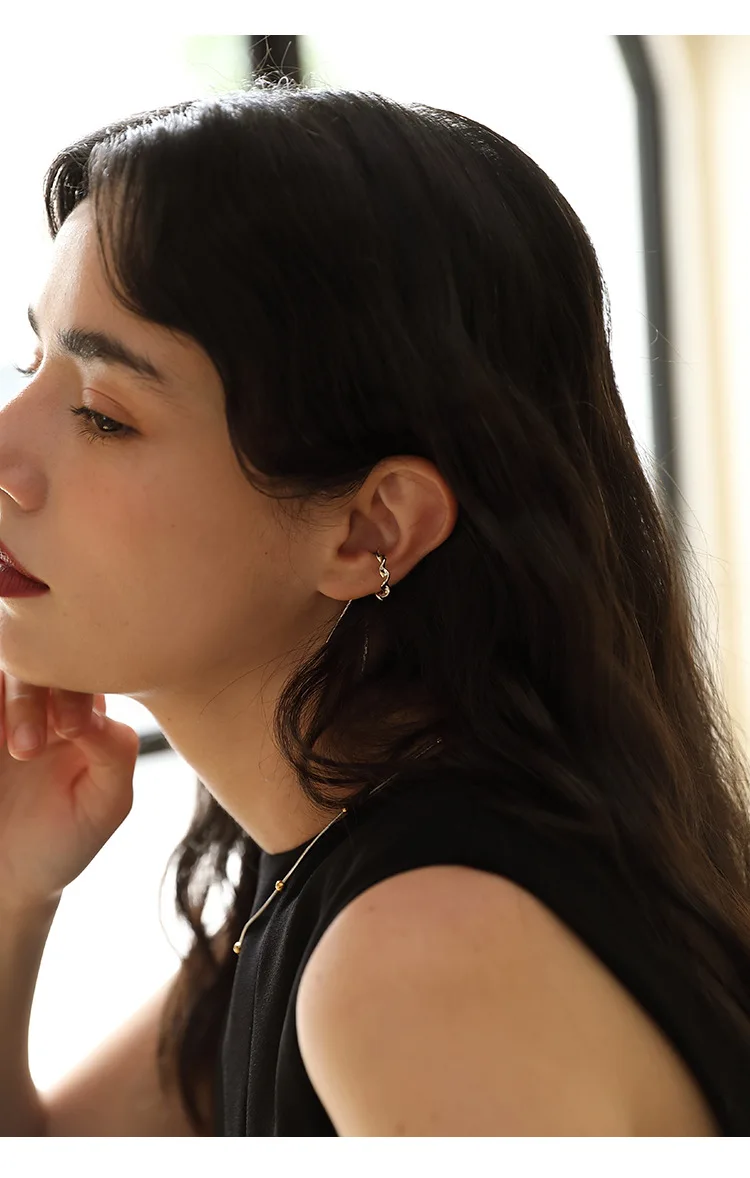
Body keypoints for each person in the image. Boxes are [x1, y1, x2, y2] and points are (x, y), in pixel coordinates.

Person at [0, 81, 749, 1138]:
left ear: (370, 530)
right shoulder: (321, 869)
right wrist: (12, 889)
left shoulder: (419, 957)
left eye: (101, 413)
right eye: (31, 361)